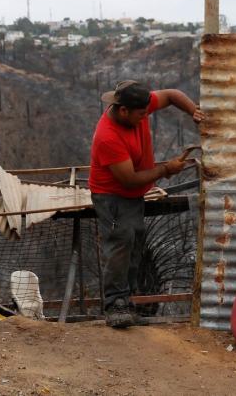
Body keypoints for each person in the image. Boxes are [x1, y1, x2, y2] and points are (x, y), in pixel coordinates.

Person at [89, 80, 204, 328]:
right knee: (120, 242)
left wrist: (193, 109)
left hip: (132, 195)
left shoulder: (137, 106)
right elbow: (129, 179)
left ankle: (126, 301)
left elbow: (172, 94)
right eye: (141, 115)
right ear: (123, 111)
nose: (145, 119)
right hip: (112, 196)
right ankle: (115, 304)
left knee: (133, 244)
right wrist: (165, 169)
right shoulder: (108, 137)